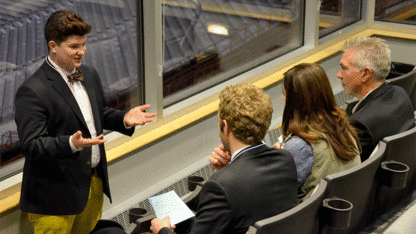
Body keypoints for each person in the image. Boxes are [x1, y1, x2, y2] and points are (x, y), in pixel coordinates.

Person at [15, 10, 156, 234]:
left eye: (84, 44)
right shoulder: (32, 90)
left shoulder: (89, 74)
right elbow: (32, 145)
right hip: (54, 200)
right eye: (74, 46)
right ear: (53, 46)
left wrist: (125, 119)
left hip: (92, 186)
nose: (81, 52)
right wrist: (70, 143)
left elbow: (99, 113)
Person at [150, 84, 298, 234]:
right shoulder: (285, 160)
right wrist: (231, 168)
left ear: (226, 127)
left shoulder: (220, 187)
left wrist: (163, 230)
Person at [277, 63, 361, 202]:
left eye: (285, 95)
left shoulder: (299, 145)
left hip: (311, 217)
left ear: (295, 101)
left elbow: (280, 193)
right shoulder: (342, 124)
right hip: (343, 206)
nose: (283, 99)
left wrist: (283, 155)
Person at [337, 37, 415, 161]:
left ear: (365, 74)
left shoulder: (360, 125)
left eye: (344, 68)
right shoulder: (400, 93)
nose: (339, 75)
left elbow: (345, 165)